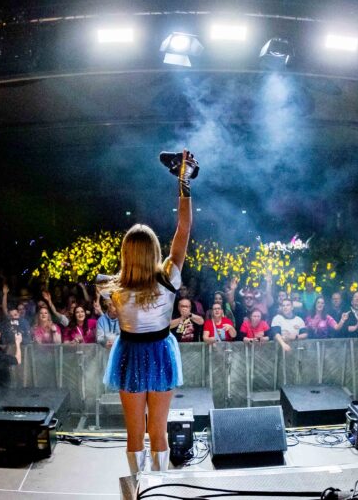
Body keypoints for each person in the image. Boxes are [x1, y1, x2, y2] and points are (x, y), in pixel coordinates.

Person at [101, 149, 196, 475]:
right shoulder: (168, 277)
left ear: (126, 253)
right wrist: (183, 184)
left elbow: (103, 292)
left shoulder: (113, 286)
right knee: (158, 431)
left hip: (129, 353)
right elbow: (183, 228)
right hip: (160, 352)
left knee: (134, 434)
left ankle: (137, 489)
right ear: (155, 250)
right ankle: (160, 486)